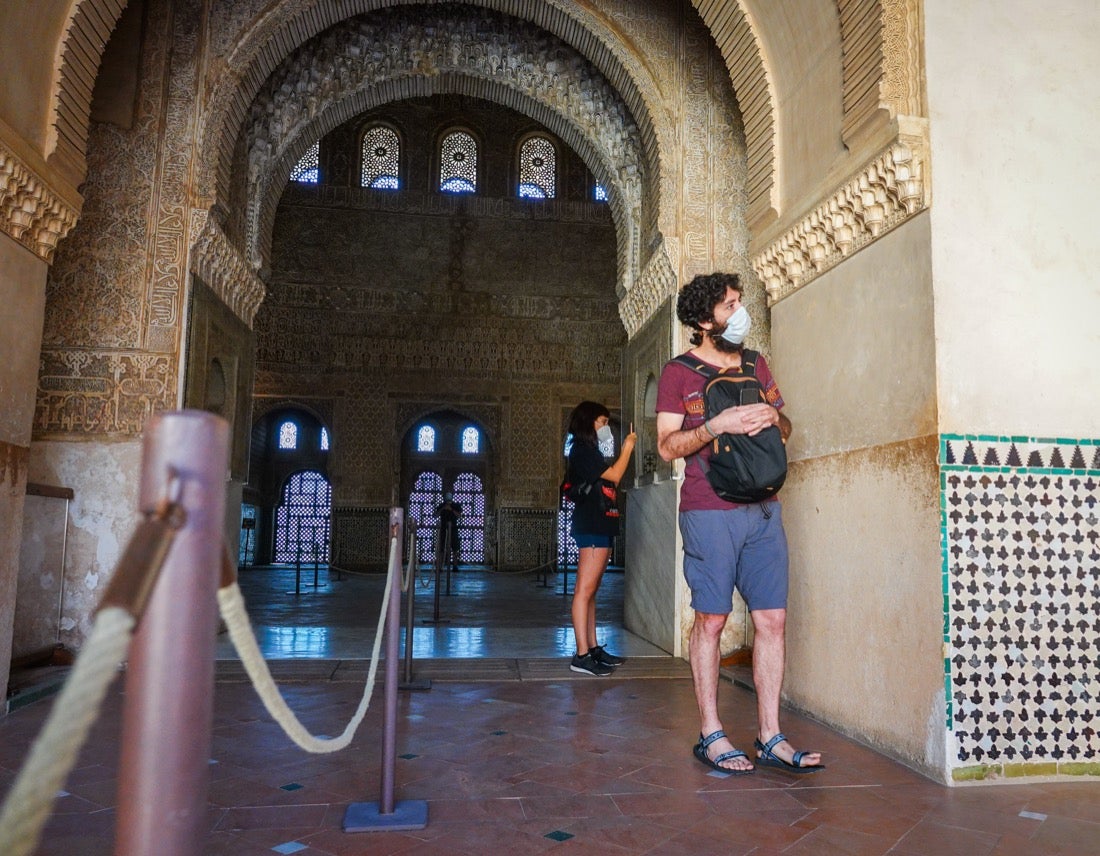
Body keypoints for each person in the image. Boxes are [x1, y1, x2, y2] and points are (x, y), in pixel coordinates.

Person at [656, 272, 823, 775]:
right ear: (705, 320)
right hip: (710, 510)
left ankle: (770, 736)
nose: (740, 313)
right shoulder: (678, 373)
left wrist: (774, 419)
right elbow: (667, 447)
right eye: (731, 306)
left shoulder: (755, 364)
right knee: (712, 620)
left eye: (739, 302)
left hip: (765, 509)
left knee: (772, 621)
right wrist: (713, 426)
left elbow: (786, 426)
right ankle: (711, 734)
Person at [564, 402, 637, 677]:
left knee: (591, 590)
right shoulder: (581, 451)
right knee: (584, 590)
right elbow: (615, 476)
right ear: (589, 422)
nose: (606, 427)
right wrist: (628, 445)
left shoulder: (590, 451)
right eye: (603, 421)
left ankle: (593, 648)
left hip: (599, 524)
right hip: (591, 525)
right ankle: (581, 655)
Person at [436, 492, 462, 569]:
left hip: (453, 528)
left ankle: (455, 565)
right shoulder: (441, 505)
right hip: (443, 529)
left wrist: (451, 509)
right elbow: (436, 515)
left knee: (455, 548)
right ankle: (440, 566)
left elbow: (459, 515)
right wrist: (443, 508)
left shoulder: (456, 506)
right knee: (441, 547)